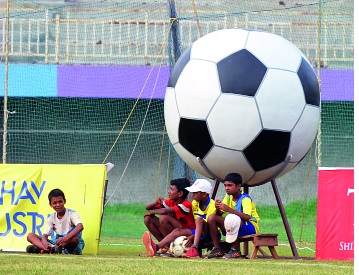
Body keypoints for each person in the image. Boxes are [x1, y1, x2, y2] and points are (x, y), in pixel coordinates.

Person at [205, 172, 260, 259]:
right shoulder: (228, 197)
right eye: (225, 185)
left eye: (230, 185)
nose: (226, 188)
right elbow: (220, 214)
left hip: (250, 227)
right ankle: (217, 249)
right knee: (212, 218)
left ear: (238, 186)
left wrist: (228, 209)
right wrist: (218, 208)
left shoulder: (245, 199)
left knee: (233, 219)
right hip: (235, 224)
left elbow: (247, 217)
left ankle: (236, 250)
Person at [142, 178, 195, 256]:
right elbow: (147, 207)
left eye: (172, 189)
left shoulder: (187, 205)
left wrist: (152, 212)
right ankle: (164, 247)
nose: (169, 192)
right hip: (176, 231)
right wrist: (155, 203)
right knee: (148, 219)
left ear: (180, 193)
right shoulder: (170, 202)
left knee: (164, 218)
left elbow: (164, 211)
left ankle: (169, 248)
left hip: (188, 231)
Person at [26, 188, 85, 255]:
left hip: (70, 243)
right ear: (50, 204)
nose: (58, 205)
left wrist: (66, 238)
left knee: (75, 239)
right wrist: (45, 243)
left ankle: (45, 249)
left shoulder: (72, 214)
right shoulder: (52, 217)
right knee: (30, 236)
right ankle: (47, 249)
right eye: (54, 203)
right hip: (57, 243)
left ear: (64, 201)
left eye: (60, 202)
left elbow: (80, 226)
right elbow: (45, 235)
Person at [182, 179, 217, 258]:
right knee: (177, 231)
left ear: (204, 194)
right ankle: (158, 247)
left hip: (210, 234)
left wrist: (193, 236)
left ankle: (194, 248)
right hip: (199, 232)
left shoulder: (212, 205)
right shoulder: (195, 203)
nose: (192, 195)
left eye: (195, 193)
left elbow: (208, 224)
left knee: (199, 219)